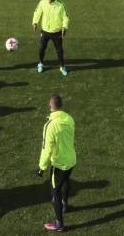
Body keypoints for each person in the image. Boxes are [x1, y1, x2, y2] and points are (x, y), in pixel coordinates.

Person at [37, 94, 76, 233]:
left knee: (55, 192)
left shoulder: (50, 125)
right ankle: (65, 205)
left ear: (50, 107)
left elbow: (46, 148)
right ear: (61, 106)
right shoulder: (69, 119)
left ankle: (59, 224)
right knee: (66, 181)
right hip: (71, 160)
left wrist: (41, 167)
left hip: (59, 164)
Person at [32, 0, 70, 75]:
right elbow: (37, 12)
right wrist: (35, 22)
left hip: (57, 32)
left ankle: (62, 66)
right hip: (45, 31)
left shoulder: (60, 4)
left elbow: (65, 17)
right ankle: (40, 64)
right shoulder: (42, 2)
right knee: (42, 48)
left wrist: (65, 27)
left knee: (59, 50)